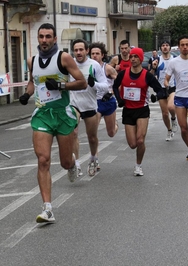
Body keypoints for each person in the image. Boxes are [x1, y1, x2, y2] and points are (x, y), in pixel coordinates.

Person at [18, 23, 87, 223]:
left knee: (65, 163)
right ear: (37, 39)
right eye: (41, 37)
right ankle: (47, 208)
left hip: (63, 113)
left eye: (48, 36)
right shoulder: (32, 60)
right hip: (42, 114)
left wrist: (61, 85)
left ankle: (73, 163)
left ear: (54, 39)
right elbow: (33, 81)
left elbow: (82, 82)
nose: (45, 40)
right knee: (43, 160)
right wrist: (26, 94)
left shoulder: (63, 58)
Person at [112, 48, 165, 176]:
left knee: (140, 140)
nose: (133, 59)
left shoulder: (147, 75)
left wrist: (155, 97)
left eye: (136, 56)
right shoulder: (123, 74)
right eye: (131, 57)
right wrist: (119, 99)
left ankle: (138, 165)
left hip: (142, 110)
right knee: (132, 144)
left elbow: (161, 90)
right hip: (128, 111)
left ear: (141, 59)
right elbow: (114, 86)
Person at [70, 39, 108, 177]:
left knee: (92, 137)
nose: (78, 53)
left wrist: (94, 84)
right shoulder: (69, 64)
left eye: (81, 50)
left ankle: (93, 158)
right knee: (73, 133)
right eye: (76, 50)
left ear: (87, 51)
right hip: (74, 104)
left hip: (90, 104)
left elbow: (105, 86)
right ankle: (77, 164)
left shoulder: (94, 65)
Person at [89, 42, 119, 139]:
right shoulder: (87, 68)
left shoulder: (108, 68)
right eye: (92, 53)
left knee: (111, 133)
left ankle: (115, 124)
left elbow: (120, 84)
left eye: (97, 54)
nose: (94, 56)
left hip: (107, 101)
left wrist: (111, 92)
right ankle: (94, 153)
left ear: (102, 55)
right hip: (94, 103)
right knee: (93, 132)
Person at [150, 40, 178, 141]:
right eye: (163, 45)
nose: (165, 47)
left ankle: (174, 119)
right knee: (165, 113)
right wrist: (153, 68)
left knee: (171, 107)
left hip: (172, 87)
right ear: (160, 48)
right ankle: (169, 130)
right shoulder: (157, 60)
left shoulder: (175, 59)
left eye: (167, 45)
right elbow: (151, 75)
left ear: (170, 48)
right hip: (160, 88)